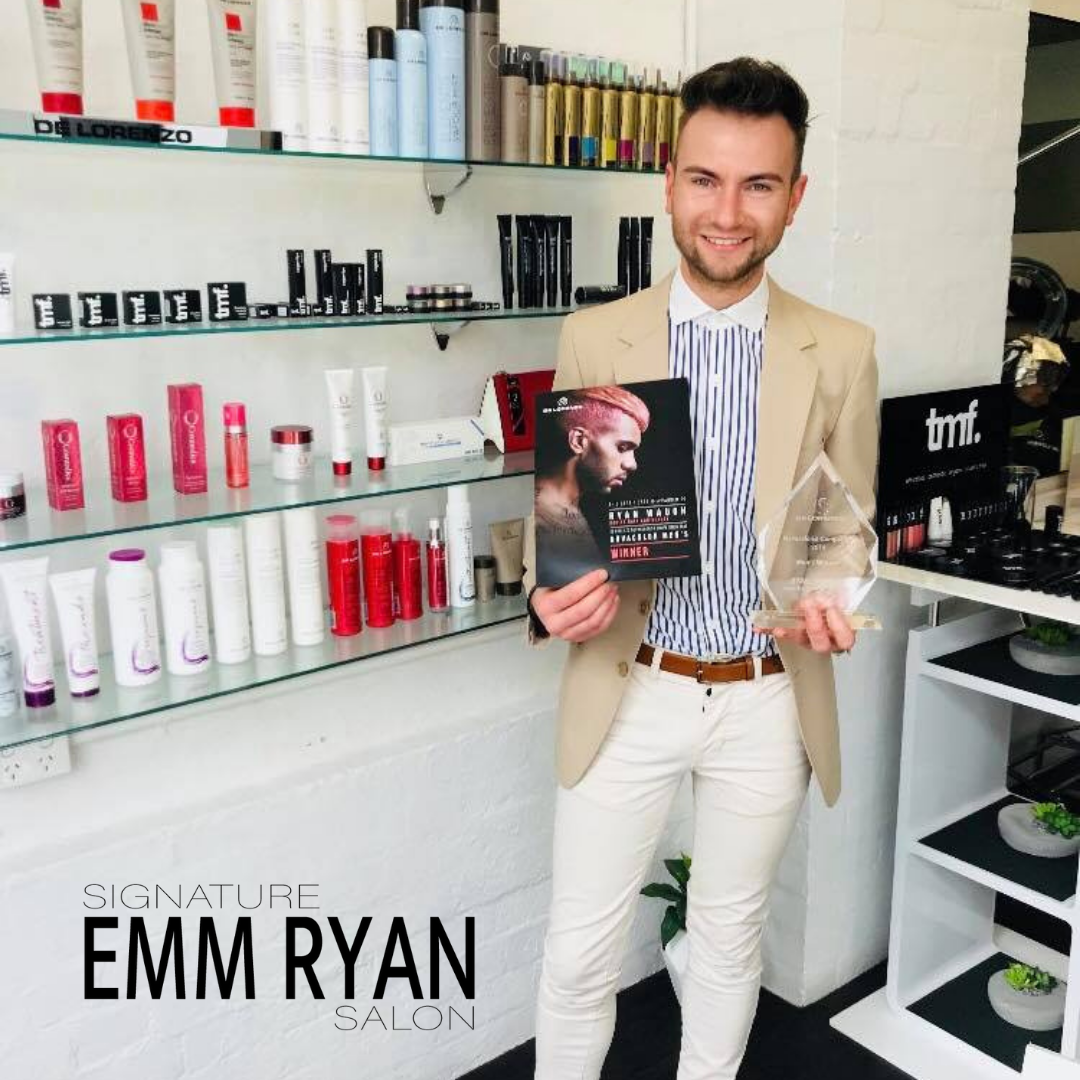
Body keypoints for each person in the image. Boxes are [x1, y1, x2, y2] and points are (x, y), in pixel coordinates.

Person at [522, 57, 880, 1080]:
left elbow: (843, 530)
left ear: (795, 196)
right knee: (577, 959)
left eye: (759, 184)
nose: (727, 214)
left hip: (767, 698)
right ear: (669, 182)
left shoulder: (842, 351)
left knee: (727, 947)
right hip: (630, 684)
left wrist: (832, 602)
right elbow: (564, 526)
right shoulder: (597, 335)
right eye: (706, 180)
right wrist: (552, 597)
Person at [534, 386, 651, 584]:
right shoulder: (540, 519)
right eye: (622, 447)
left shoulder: (568, 510)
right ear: (579, 441)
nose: (632, 464)